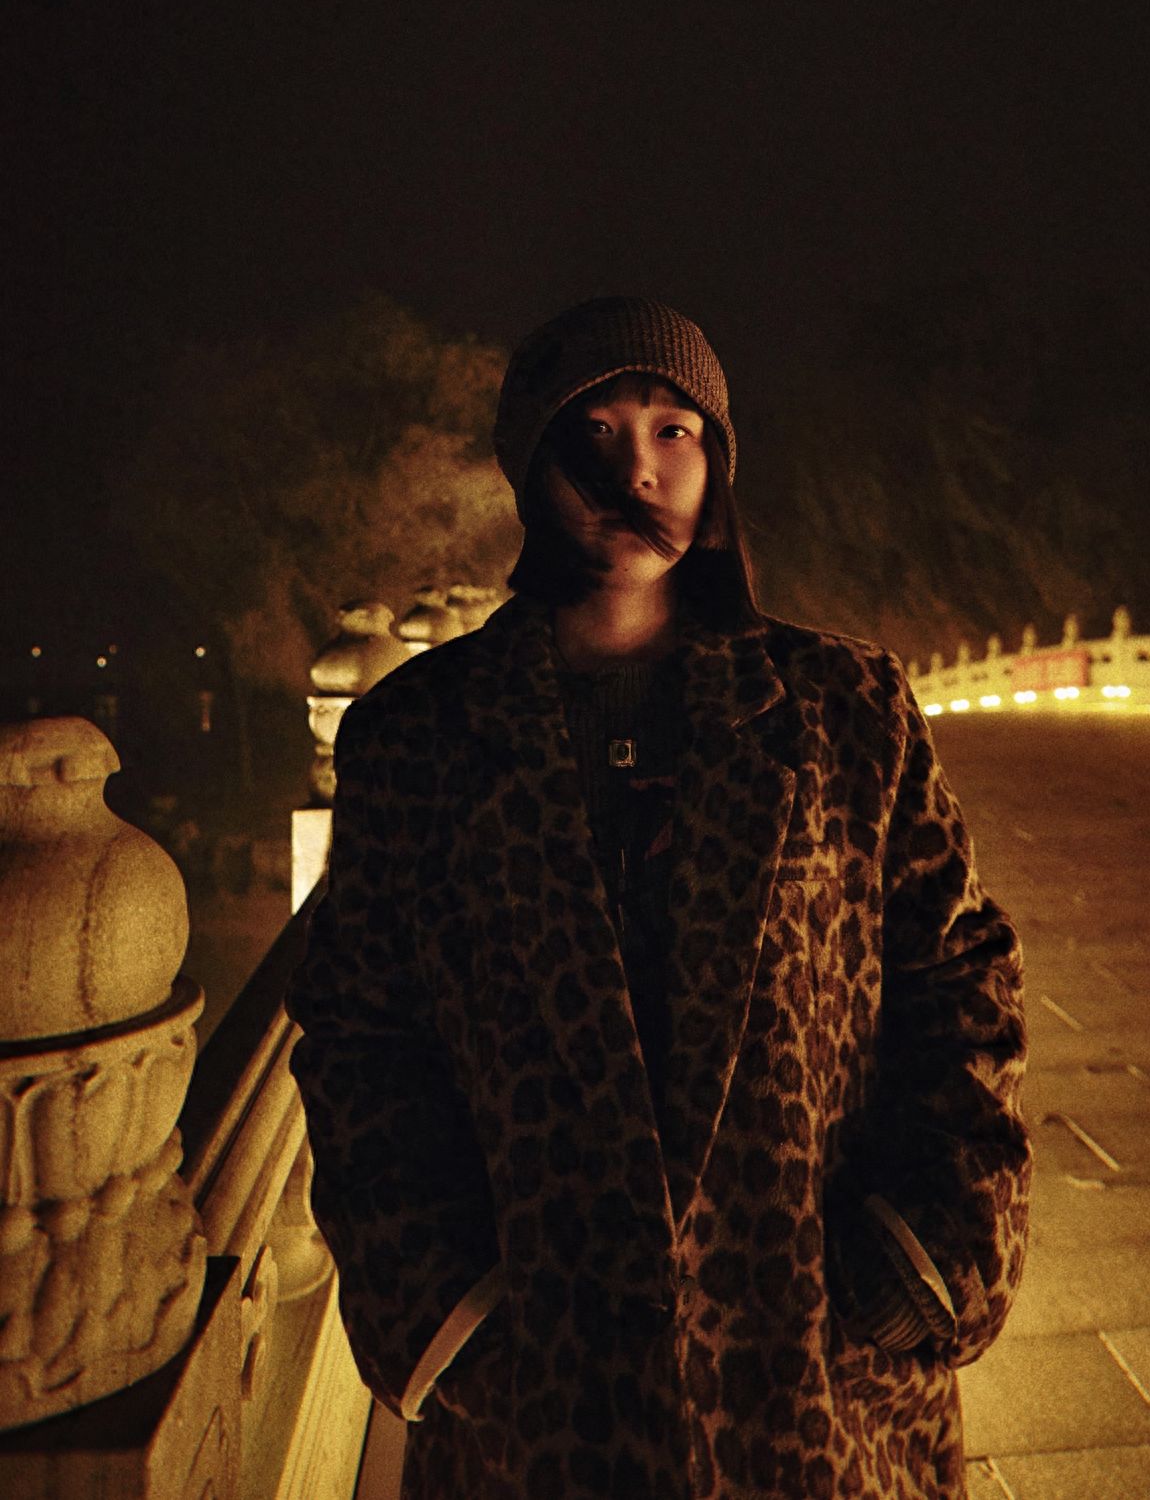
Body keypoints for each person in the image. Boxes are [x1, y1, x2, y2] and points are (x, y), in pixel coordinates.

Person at [285, 295, 1031, 1500]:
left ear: (715, 461)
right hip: (540, 1411)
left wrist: (936, 1250)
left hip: (820, 1390)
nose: (635, 469)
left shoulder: (845, 710)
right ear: (530, 464)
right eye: (593, 430)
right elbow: (362, 1041)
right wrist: (439, 1317)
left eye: (673, 429)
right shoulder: (416, 740)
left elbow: (961, 976)